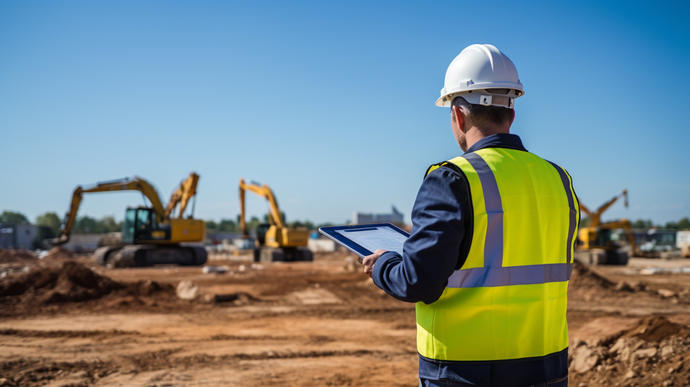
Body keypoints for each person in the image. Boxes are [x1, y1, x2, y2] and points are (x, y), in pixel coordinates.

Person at [362, 44, 579, 387]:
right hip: (548, 367)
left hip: (465, 371)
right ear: (511, 113)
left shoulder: (451, 179)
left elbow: (418, 280)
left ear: (458, 115)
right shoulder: (558, 178)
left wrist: (384, 264)